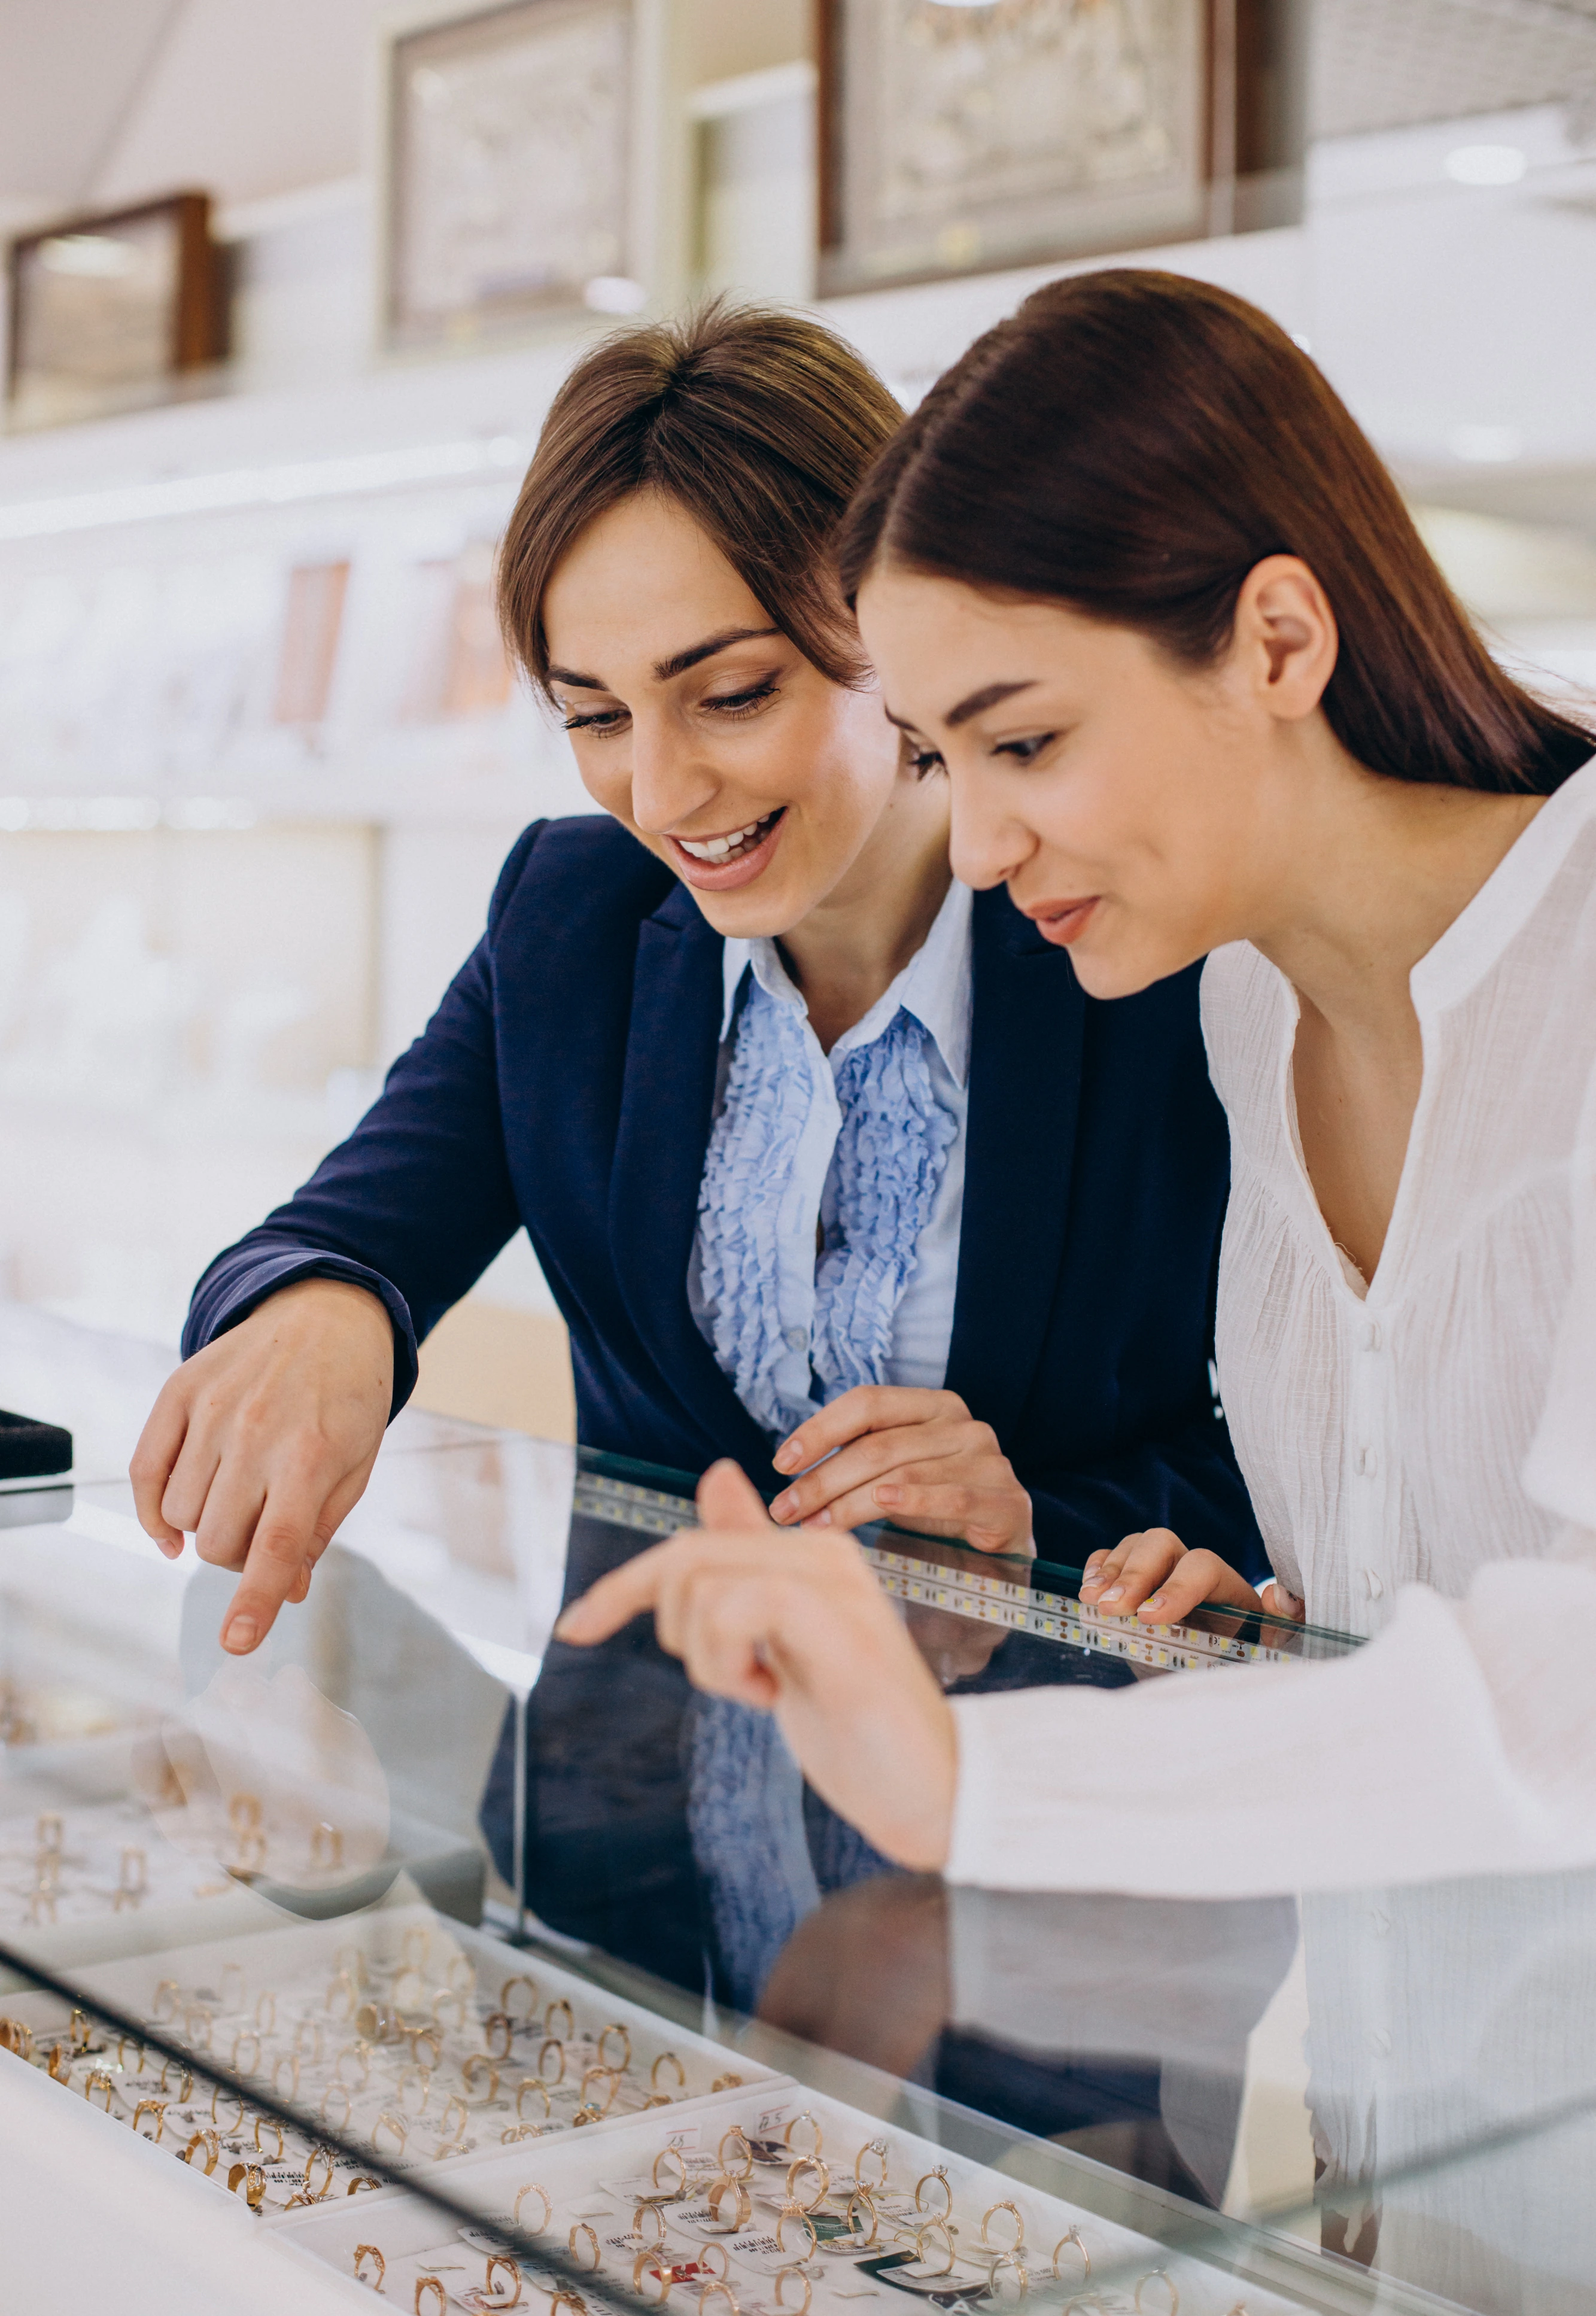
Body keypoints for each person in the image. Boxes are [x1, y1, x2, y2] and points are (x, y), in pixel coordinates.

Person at [558, 268, 1596, 1899]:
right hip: (1401, 2124)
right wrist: (1264, 1628)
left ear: (1276, 640)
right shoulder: (1248, 1007)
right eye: (939, 755)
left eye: (1024, 743)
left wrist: (964, 1779)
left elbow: (1570, 1702)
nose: (977, 846)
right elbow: (1428, 1619)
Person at [130, 297, 1260, 1667]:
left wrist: (1035, 1527)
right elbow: (333, 1235)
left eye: (729, 694)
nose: (658, 794)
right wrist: (326, 1308)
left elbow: (1289, 1482)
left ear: (894, 626)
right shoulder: (572, 914)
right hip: (636, 1824)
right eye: (595, 716)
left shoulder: (1141, 944)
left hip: (1033, 1810)